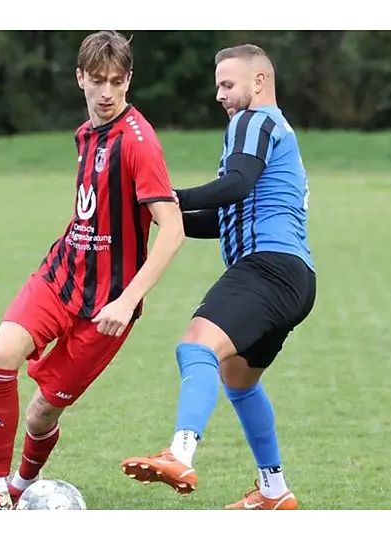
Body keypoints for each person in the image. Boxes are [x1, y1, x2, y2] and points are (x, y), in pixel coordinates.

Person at [0, 30, 184, 509]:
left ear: (128, 80)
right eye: (97, 80)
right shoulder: (85, 133)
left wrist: (128, 301)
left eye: (116, 81)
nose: (106, 92)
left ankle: (22, 486)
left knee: (42, 413)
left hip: (108, 307)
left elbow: (172, 229)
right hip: (60, 276)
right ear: (80, 78)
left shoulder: (139, 143)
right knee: (1, 354)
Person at [121, 44, 316, 510]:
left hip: (267, 269)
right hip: (294, 277)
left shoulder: (253, 122)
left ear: (259, 82)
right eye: (218, 86)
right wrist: (161, 216)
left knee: (196, 346)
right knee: (239, 382)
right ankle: (273, 490)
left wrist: (166, 196)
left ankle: (180, 453)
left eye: (227, 84)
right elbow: (227, 214)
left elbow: (235, 185)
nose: (220, 95)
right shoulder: (275, 129)